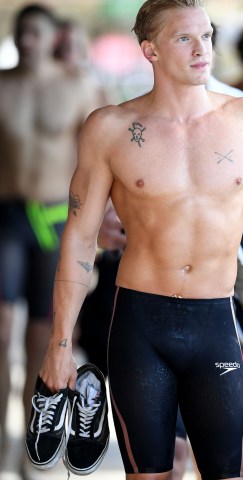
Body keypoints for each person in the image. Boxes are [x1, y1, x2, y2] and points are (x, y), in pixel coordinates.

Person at [39, 1, 243, 479]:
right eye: (184, 39)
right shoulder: (109, 129)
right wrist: (59, 343)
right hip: (139, 325)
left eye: (208, 36)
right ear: (149, 50)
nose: (202, 50)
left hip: (216, 322)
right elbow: (79, 240)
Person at [0, 3, 101, 466]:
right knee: (0, 334)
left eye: (35, 33)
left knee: (42, 338)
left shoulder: (78, 87)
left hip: (58, 219)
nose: (27, 41)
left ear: (51, 38)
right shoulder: (2, 86)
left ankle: (29, 448)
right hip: (7, 216)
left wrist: (100, 230)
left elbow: (101, 160)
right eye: (21, 32)